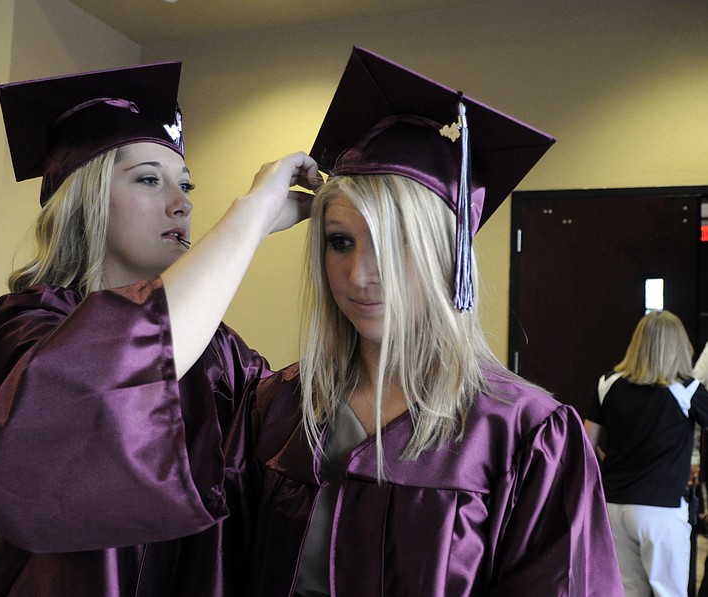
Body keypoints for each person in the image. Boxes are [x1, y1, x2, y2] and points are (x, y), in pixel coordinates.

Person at [225, 47, 624, 596]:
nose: (361, 274)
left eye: (398, 243)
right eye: (341, 241)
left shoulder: (526, 435)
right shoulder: (278, 409)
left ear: (449, 256)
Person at [0, 61, 318, 596]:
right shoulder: (15, 332)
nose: (183, 202)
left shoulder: (222, 353)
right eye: (149, 179)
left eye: (187, 185)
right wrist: (254, 213)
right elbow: (105, 375)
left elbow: (293, 446)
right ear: (89, 197)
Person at [584, 310, 708, 597]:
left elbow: (586, 444)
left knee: (627, 590)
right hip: (661, 510)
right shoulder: (687, 390)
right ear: (679, 346)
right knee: (670, 592)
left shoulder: (608, 383)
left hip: (614, 505)